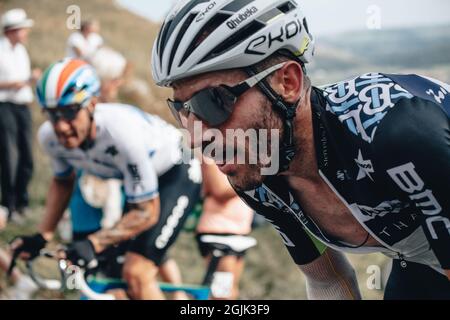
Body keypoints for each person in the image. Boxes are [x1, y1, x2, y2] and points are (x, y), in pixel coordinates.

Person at [151, 0, 450, 299]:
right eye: (183, 111)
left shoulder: (398, 134)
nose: (195, 137)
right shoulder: (258, 173)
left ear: (288, 82)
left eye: (211, 103)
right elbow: (328, 282)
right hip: (421, 261)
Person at [10, 58, 202, 300]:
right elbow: (62, 182)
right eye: (51, 113)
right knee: (112, 274)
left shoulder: (120, 133)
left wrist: (93, 243)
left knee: (136, 272)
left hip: (177, 172)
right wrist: (42, 235)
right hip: (139, 182)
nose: (61, 126)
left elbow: (146, 213)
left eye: (69, 112)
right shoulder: (49, 137)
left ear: (91, 104)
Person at [0, 8, 41, 221]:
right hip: (5, 105)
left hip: (23, 106)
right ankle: (9, 204)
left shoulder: (21, 51)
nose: (26, 33)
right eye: (22, 29)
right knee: (9, 156)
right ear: (12, 30)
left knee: (27, 155)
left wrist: (29, 79)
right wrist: (15, 83)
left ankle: (22, 201)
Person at [196, 160, 254, 299]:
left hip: (240, 233)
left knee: (232, 292)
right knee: (221, 294)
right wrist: (252, 178)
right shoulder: (210, 157)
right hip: (218, 233)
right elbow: (220, 191)